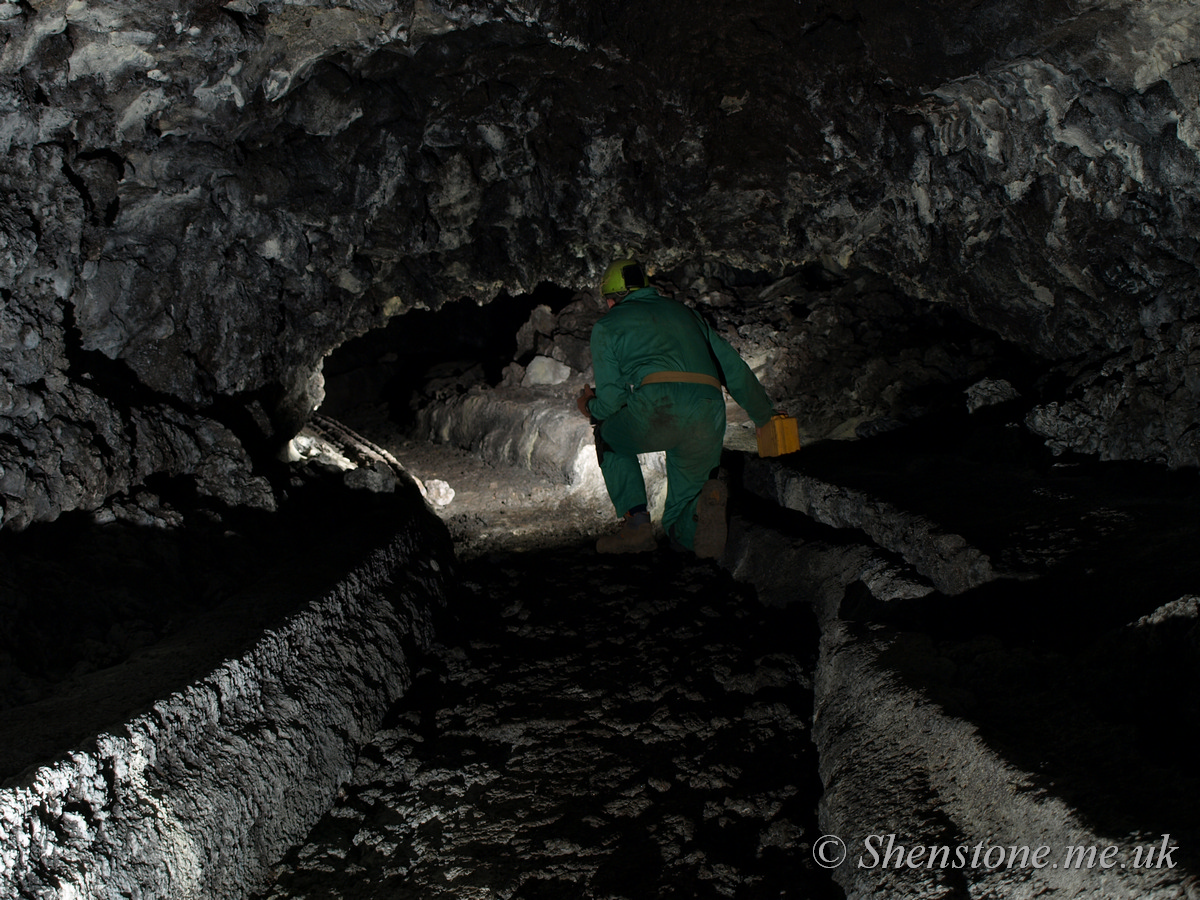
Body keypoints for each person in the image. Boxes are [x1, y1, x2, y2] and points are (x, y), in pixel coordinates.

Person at [577, 258, 780, 558]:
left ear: (611, 299)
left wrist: (588, 406)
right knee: (683, 504)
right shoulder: (687, 314)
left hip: (659, 407)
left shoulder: (608, 325)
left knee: (608, 436)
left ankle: (637, 526)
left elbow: (612, 403)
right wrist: (764, 417)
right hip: (708, 409)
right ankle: (698, 518)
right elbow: (733, 369)